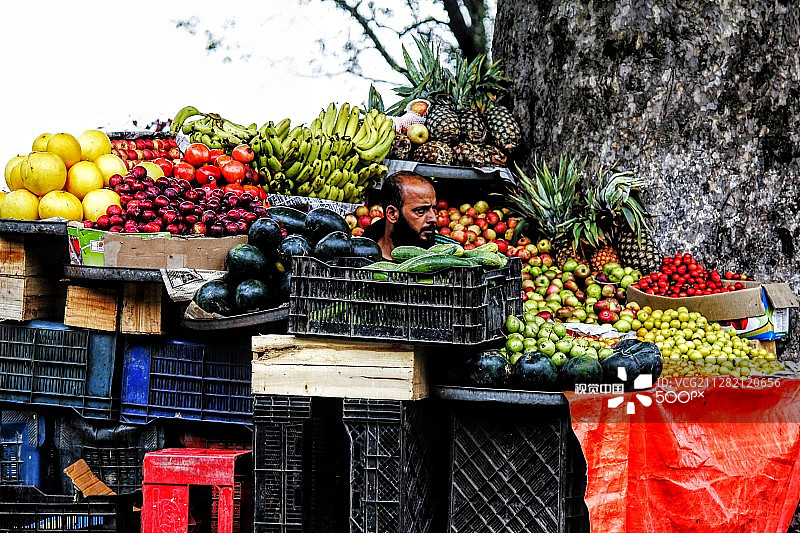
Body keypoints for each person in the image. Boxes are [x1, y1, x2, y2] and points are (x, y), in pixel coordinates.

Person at [363, 170, 438, 260]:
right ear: (392, 214)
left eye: (434, 209)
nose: (433, 219)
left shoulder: (445, 253)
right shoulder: (361, 255)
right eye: (420, 211)